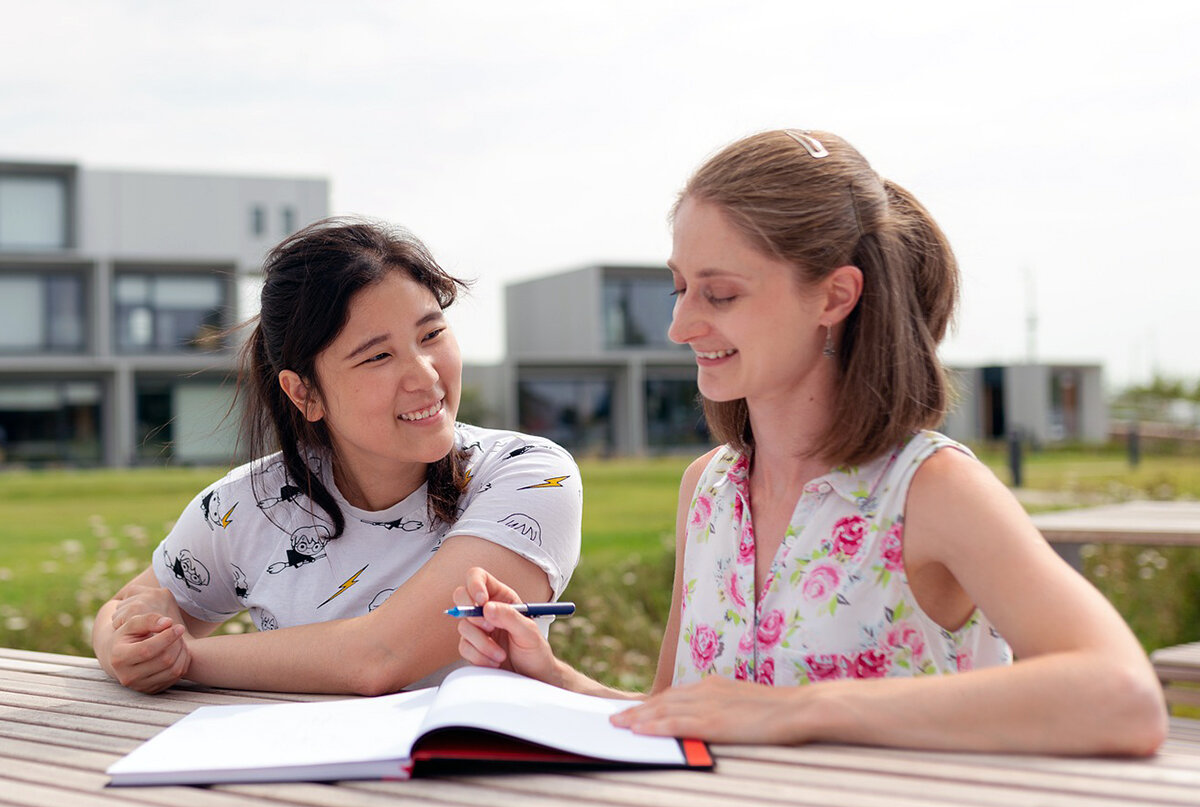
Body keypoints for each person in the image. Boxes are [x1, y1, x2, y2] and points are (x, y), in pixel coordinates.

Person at [456, 129, 1168, 756]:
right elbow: (685, 717)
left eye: (720, 293)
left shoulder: (931, 490)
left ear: (833, 297)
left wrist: (801, 712)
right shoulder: (707, 491)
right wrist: (550, 677)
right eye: (678, 288)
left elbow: (1124, 697)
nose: (680, 325)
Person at [93, 218, 581, 695]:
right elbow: (123, 608)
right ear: (304, 393)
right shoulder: (247, 505)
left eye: (431, 335)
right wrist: (129, 644)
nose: (426, 376)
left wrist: (183, 659)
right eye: (377, 357)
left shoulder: (530, 474)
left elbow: (381, 657)